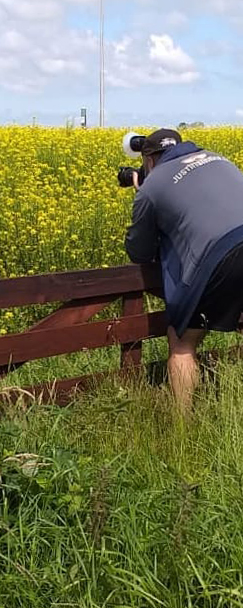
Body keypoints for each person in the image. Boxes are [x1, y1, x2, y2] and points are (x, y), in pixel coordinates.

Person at [124, 128, 243, 412]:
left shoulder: (152, 186)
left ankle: (182, 427)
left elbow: (138, 252)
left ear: (149, 159)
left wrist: (144, 194)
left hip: (224, 254)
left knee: (182, 343)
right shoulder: (219, 159)